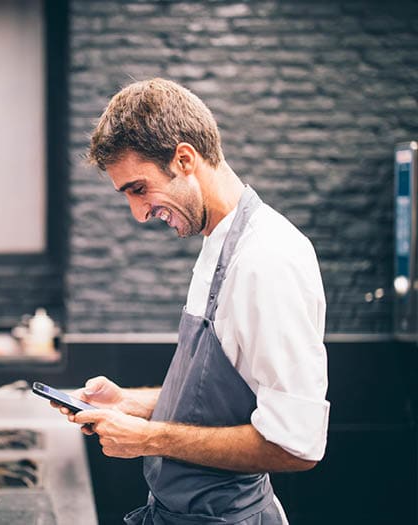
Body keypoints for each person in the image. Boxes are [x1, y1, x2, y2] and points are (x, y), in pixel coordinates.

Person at [54, 78, 330, 524]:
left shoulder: (267, 260)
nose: (139, 214)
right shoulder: (217, 244)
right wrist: (130, 404)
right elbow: (221, 398)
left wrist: (149, 438)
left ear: (184, 159)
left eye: (139, 189)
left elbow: (296, 445)